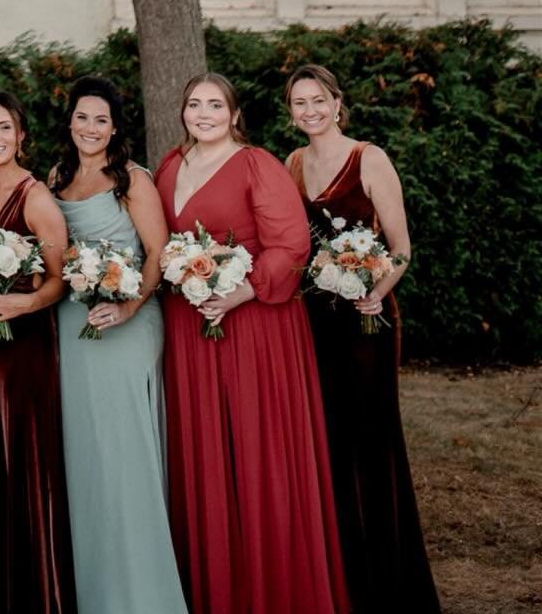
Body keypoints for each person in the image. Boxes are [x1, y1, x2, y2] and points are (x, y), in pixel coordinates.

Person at [155, 73, 348, 614]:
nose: (204, 113)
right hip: (189, 326)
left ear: (234, 114)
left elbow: (290, 245)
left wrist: (238, 293)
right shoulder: (170, 165)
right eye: (194, 104)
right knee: (204, 451)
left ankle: (274, 587)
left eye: (215, 105)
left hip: (254, 329)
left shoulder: (257, 165)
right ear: (183, 113)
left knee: (256, 449)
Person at [285, 63, 439, 612]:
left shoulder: (368, 158)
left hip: (366, 317)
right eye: (300, 103)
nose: (311, 111)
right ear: (291, 111)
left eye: (318, 100)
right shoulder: (293, 163)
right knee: (326, 443)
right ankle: (340, 576)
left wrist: (376, 289)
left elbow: (400, 247)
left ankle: (389, 583)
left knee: (371, 443)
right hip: (313, 323)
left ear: (336, 101)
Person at [50, 77, 186, 614]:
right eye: (83, 117)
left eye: (101, 120)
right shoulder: (56, 180)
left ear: (115, 127)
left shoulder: (132, 180)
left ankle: (143, 593)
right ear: (70, 122)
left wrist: (129, 307)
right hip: (73, 326)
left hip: (128, 324)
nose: (91, 128)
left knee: (125, 452)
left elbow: (158, 253)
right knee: (84, 454)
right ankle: (96, 589)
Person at [0, 91, 74, 614]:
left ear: (21, 134)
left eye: (4, 127)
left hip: (26, 346)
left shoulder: (35, 198)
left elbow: (58, 281)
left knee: (26, 462)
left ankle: (36, 591)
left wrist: (25, 303)